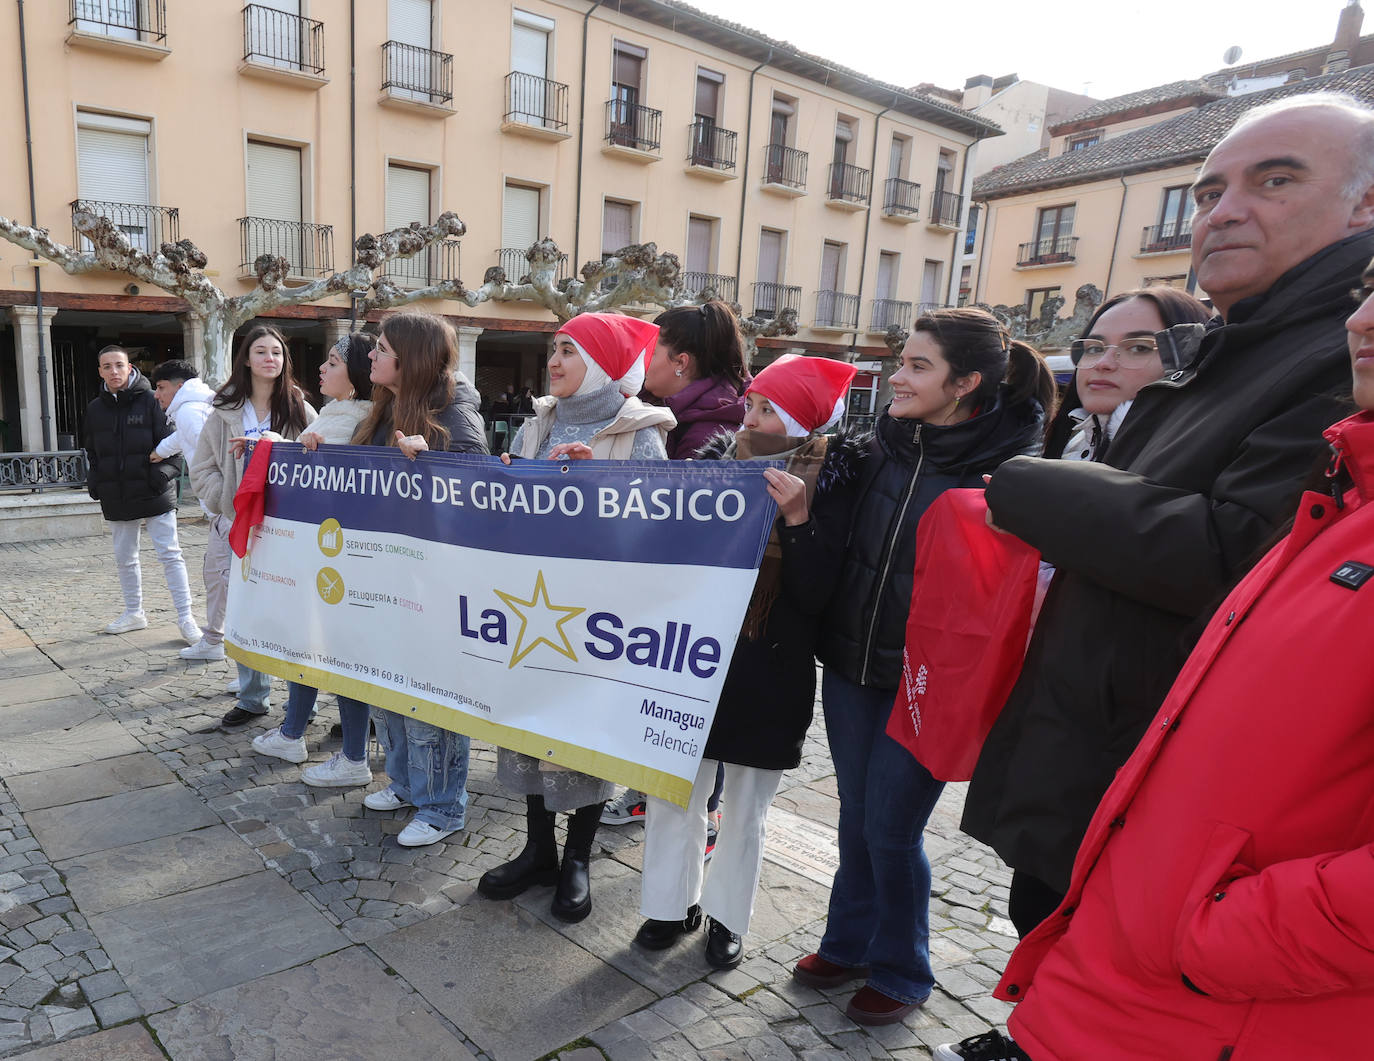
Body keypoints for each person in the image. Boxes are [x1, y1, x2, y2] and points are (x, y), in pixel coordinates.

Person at [954, 94, 1374, 981]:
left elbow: (1230, 555)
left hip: (1162, 782)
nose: (1222, 211)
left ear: (1365, 207)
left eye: (1276, 179)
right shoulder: (1234, 348)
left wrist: (1023, 484)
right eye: (1209, 190)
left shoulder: (1342, 356)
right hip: (1099, 751)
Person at [793, 309, 1055, 1026]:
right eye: (900, 361)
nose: (897, 377)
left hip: (932, 684)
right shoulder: (874, 446)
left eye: (917, 366)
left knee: (891, 828)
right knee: (856, 816)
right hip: (851, 665)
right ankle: (846, 942)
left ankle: (905, 968)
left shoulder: (1015, 475)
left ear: (965, 382)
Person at [635, 353, 861, 970]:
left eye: (767, 410)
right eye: (752, 404)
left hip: (773, 665)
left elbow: (818, 595)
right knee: (674, 790)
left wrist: (797, 519)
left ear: (803, 423)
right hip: (697, 657)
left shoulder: (834, 483)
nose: (749, 419)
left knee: (747, 807)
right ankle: (668, 904)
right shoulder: (712, 470)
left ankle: (728, 918)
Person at [477, 311, 674, 923]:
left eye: (570, 350)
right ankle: (538, 848)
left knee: (586, 736)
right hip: (529, 606)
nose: (555, 361)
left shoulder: (639, 430)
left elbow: (661, 528)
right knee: (532, 725)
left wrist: (592, 482)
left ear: (605, 366)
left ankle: (579, 858)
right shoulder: (536, 424)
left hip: (596, 618)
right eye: (554, 349)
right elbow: (500, 505)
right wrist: (519, 476)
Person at [602, 301, 752, 834]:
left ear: (682, 362)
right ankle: (658, 794)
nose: (644, 363)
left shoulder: (705, 430)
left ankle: (696, 815)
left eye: (651, 352)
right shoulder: (681, 415)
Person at [347, 312, 487, 846]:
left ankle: (443, 806)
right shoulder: (382, 410)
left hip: (436, 588)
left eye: (381, 349)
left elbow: (478, 496)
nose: (372, 357)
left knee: (431, 699)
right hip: (387, 580)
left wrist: (438, 463)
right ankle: (405, 783)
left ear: (411, 358)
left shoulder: (456, 415)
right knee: (390, 689)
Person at [249, 331, 377, 787]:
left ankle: (353, 755)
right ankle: (292, 730)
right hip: (319, 551)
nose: (322, 369)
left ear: (356, 376)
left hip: (336, 554)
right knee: (307, 642)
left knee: (339, 653)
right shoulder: (336, 414)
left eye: (333, 363)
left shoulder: (349, 421)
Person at [187, 325, 316, 725]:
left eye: (276, 353)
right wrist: (223, 502)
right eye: (261, 352)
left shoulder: (299, 408)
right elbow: (202, 466)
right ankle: (252, 696)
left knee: (294, 610)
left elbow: (319, 456)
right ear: (245, 358)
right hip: (239, 523)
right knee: (243, 608)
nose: (270, 359)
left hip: (287, 527)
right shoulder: (225, 411)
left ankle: (300, 706)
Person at [84, 346, 200, 645]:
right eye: (107, 366)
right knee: (125, 558)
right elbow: (93, 452)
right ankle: (134, 612)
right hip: (117, 495)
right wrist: (95, 480)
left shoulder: (153, 400)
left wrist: (159, 477)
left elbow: (176, 446)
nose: (113, 371)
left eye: (119, 365)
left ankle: (186, 618)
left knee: (171, 556)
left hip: (155, 493)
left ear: (130, 367)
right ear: (100, 371)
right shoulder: (95, 408)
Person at [1042, 288, 1213, 463]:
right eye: (1094, 348)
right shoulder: (1067, 444)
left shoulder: (1197, 461)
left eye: (1139, 348)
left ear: (1187, 359)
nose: (1103, 363)